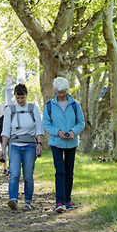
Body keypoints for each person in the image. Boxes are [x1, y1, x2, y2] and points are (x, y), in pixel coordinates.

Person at [42, 77, 85, 213]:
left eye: (64, 92)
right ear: (55, 91)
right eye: (59, 92)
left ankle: (68, 200)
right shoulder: (49, 105)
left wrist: (73, 131)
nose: (61, 94)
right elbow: (46, 124)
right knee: (59, 171)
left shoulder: (75, 105)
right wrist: (57, 132)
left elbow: (81, 122)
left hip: (71, 143)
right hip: (56, 143)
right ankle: (59, 201)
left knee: (69, 173)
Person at [1, 84, 43, 211]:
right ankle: (13, 199)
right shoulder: (10, 110)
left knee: (28, 175)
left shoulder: (33, 108)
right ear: (15, 96)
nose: (20, 100)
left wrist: (39, 144)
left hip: (30, 145)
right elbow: (6, 130)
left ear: (26, 95)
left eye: (22, 97)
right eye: (18, 98)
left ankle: (28, 201)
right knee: (14, 174)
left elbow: (38, 128)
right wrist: (3, 149)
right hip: (14, 145)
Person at [0, 105, 8, 175]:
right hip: (2, 139)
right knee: (4, 153)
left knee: (11, 153)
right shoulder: (1, 119)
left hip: (11, 139)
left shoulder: (13, 118)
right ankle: (5, 168)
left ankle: (11, 167)